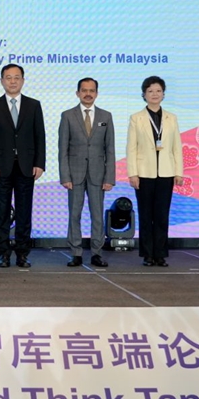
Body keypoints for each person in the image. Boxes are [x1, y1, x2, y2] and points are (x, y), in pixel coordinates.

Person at [0, 64, 45, 268]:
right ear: (2, 81)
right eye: (8, 77)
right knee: (1, 212)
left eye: (16, 77)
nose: (12, 81)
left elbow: (40, 136)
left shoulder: (33, 105)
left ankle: (22, 254)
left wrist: (40, 163)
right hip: (1, 168)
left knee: (24, 212)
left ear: (23, 81)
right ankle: (3, 254)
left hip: (27, 167)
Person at [58, 77, 115, 268]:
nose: (88, 94)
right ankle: (76, 253)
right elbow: (63, 149)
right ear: (78, 93)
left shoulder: (106, 116)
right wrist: (65, 176)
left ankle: (97, 253)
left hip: (98, 175)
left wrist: (110, 177)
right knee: (74, 214)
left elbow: (110, 149)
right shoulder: (67, 116)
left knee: (97, 215)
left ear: (96, 93)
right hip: (74, 175)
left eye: (91, 90)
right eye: (84, 90)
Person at [126, 76, 183, 267]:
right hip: (144, 173)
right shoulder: (136, 118)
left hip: (166, 172)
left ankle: (160, 254)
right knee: (146, 215)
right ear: (144, 94)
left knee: (162, 215)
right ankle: (147, 254)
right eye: (150, 91)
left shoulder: (171, 118)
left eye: (158, 91)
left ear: (163, 94)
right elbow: (131, 148)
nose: (154, 94)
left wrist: (178, 172)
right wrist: (133, 173)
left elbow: (177, 147)